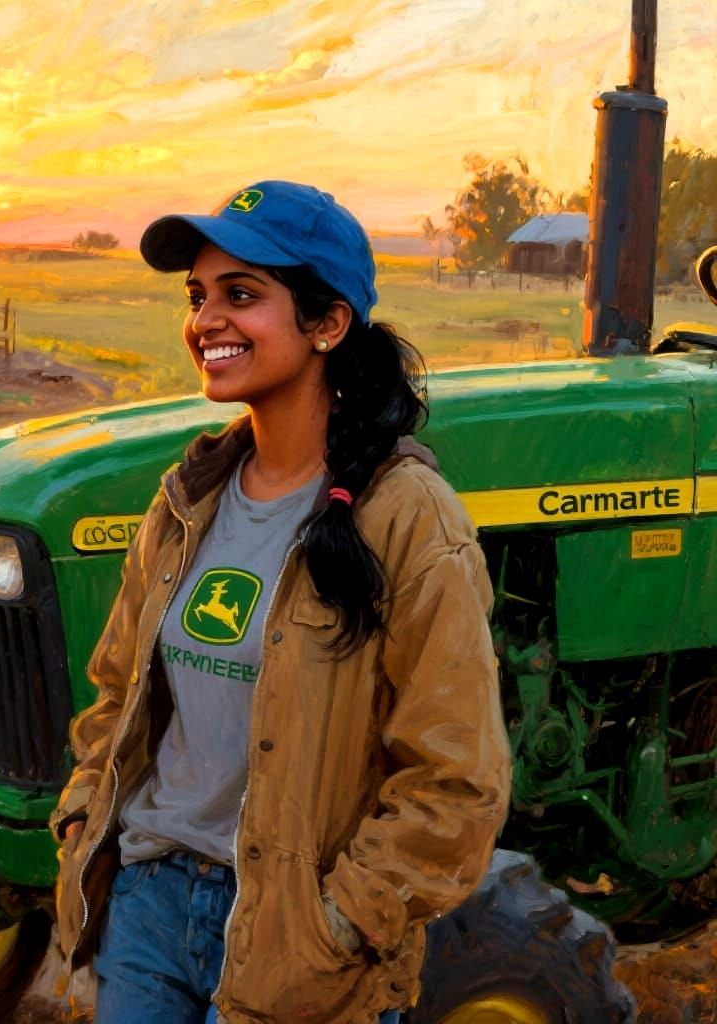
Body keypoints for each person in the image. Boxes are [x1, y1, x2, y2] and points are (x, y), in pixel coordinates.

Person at [50, 180, 511, 1024]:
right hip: (149, 910)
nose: (206, 320)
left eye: (241, 295)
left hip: (297, 945)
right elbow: (118, 693)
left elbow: (458, 777)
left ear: (327, 323)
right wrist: (86, 819)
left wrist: (341, 921)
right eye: (197, 296)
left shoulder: (407, 517)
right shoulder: (187, 499)